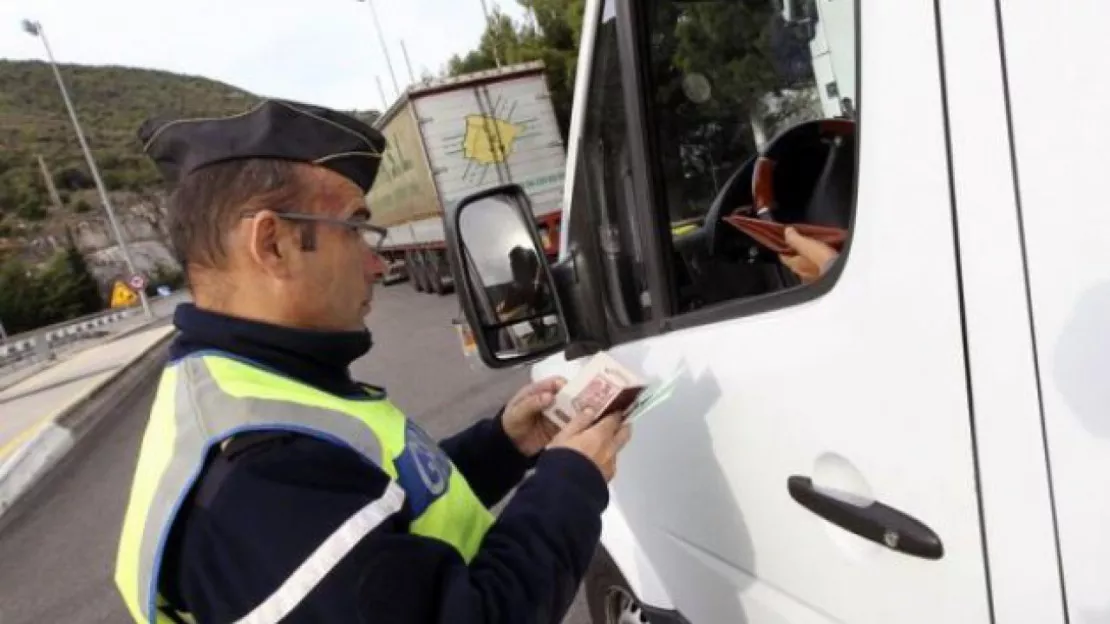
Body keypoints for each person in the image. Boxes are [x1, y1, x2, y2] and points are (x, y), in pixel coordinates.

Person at [113, 99, 632, 624]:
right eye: (355, 228)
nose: (378, 262)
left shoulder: (250, 389)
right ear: (273, 244)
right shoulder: (259, 472)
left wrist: (505, 444)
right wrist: (571, 479)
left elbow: (389, 510)